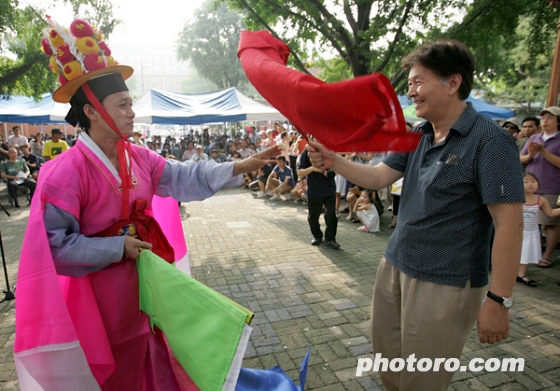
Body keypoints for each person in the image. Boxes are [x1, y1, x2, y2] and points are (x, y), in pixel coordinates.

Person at [14, 17, 279, 390]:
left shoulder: (138, 157)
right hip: (100, 294)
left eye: (129, 103)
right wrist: (117, 246)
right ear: (91, 111)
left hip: (148, 282)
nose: (132, 112)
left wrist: (239, 165)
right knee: (116, 369)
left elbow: (185, 177)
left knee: (155, 356)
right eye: (122, 105)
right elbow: (55, 247)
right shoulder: (64, 173)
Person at [308, 39, 524, 390]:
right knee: (389, 367)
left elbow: (509, 224)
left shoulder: (490, 141)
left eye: (418, 82)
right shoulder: (418, 134)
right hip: (395, 265)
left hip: (445, 281)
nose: (411, 92)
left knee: (422, 380)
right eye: (409, 84)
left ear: (452, 83)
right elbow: (379, 176)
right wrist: (334, 160)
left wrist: (499, 300)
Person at [520, 106, 560, 268]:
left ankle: (548, 255)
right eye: (543, 118)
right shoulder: (534, 137)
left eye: (550, 117)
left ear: (557, 121)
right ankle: (529, 254)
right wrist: (531, 155)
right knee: (530, 223)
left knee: (550, 222)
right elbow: (521, 159)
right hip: (530, 186)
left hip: (552, 186)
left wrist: (543, 151)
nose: (545, 121)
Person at [518, 172, 560, 287]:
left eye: (533, 181)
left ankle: (521, 274)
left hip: (532, 232)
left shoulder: (540, 199)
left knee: (526, 253)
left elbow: (550, 213)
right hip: (518, 231)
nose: (530, 184)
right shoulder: (517, 198)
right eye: (526, 181)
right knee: (517, 252)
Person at [298, 148, 339, 249]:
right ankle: (317, 236)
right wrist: (313, 169)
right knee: (313, 217)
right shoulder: (307, 152)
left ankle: (330, 238)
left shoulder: (330, 149)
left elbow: (338, 168)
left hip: (329, 189)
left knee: (331, 215)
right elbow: (300, 172)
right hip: (314, 190)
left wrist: (329, 172)